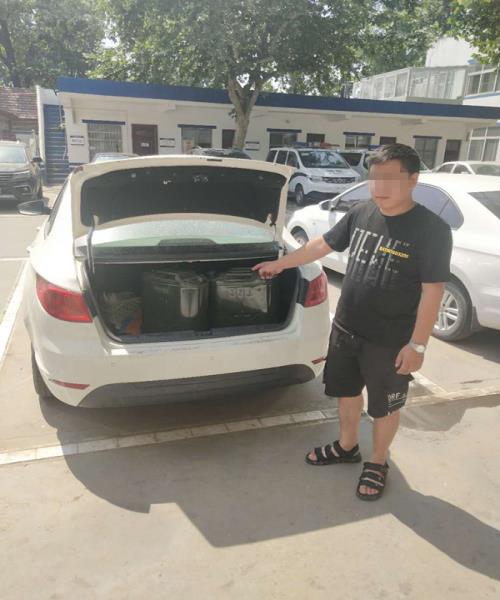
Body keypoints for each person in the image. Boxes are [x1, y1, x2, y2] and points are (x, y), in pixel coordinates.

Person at [253, 143, 452, 501]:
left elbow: (432, 291)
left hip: (390, 340)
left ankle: (377, 461)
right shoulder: (362, 211)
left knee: (385, 406)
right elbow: (322, 245)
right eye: (374, 177)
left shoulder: (432, 229)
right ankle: (347, 446)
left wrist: (418, 345)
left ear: (413, 180)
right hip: (347, 328)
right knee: (346, 392)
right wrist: (281, 264)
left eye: (390, 178)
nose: (379, 186)